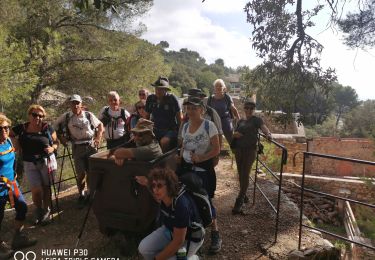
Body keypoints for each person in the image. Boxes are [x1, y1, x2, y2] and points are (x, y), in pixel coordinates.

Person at [178, 97, 222, 254]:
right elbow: (183, 146)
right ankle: (195, 234)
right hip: (187, 170)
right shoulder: (185, 127)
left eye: (194, 108)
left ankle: (215, 233)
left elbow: (217, 149)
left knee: (205, 200)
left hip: (203, 171)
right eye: (188, 108)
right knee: (188, 200)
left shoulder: (209, 126)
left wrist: (202, 158)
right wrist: (180, 156)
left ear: (202, 110)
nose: (190, 111)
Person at [138, 167, 204, 260]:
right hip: (171, 230)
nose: (155, 190)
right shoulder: (163, 197)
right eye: (153, 185)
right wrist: (146, 183)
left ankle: (193, 258)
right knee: (143, 248)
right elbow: (156, 197)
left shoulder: (181, 205)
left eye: (159, 186)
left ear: (169, 186)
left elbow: (178, 241)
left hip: (189, 238)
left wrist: (156, 259)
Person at [11, 105, 59, 225]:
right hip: (29, 162)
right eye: (35, 115)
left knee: (47, 187)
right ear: (29, 115)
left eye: (40, 116)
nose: (37, 117)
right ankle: (39, 209)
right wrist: (16, 143)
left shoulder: (47, 128)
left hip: (46, 161)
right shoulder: (22, 128)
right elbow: (9, 133)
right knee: (36, 190)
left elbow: (56, 142)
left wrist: (53, 148)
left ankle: (46, 210)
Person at [54, 94, 104, 208]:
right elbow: (55, 126)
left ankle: (91, 195)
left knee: (91, 172)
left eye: (77, 103)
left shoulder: (88, 115)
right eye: (73, 103)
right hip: (77, 147)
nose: (75, 105)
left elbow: (100, 125)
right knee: (80, 173)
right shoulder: (66, 116)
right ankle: (81, 195)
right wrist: (61, 138)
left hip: (91, 146)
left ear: (81, 104)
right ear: (70, 104)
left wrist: (98, 138)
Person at [0, 114, 37, 258]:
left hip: (12, 183)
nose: (4, 130)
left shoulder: (9, 141)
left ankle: (18, 238)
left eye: (6, 127)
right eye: (1, 128)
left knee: (22, 206)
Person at [231, 100, 272, 214]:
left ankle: (239, 202)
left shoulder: (257, 120)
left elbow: (264, 128)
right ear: (244, 109)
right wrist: (236, 134)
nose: (248, 110)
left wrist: (268, 134)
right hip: (239, 150)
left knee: (245, 174)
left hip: (250, 150)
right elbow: (234, 133)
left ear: (254, 110)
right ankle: (244, 195)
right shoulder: (241, 121)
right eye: (247, 108)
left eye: (251, 108)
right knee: (240, 174)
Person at [145, 76, 182, 152]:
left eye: (161, 89)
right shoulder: (150, 99)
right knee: (143, 139)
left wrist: (180, 134)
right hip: (155, 129)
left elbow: (179, 118)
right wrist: (145, 130)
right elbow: (146, 116)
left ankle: (163, 160)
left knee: (164, 141)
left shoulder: (172, 99)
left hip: (170, 130)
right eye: (156, 88)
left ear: (166, 90)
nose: (158, 91)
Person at [207, 79, 240, 146]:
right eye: (217, 86)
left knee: (232, 142)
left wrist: (239, 121)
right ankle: (216, 155)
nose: (218, 87)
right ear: (214, 87)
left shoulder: (227, 97)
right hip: (214, 122)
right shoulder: (210, 98)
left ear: (223, 87)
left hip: (225, 121)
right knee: (216, 144)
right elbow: (207, 112)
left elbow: (233, 109)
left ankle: (237, 154)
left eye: (220, 86)